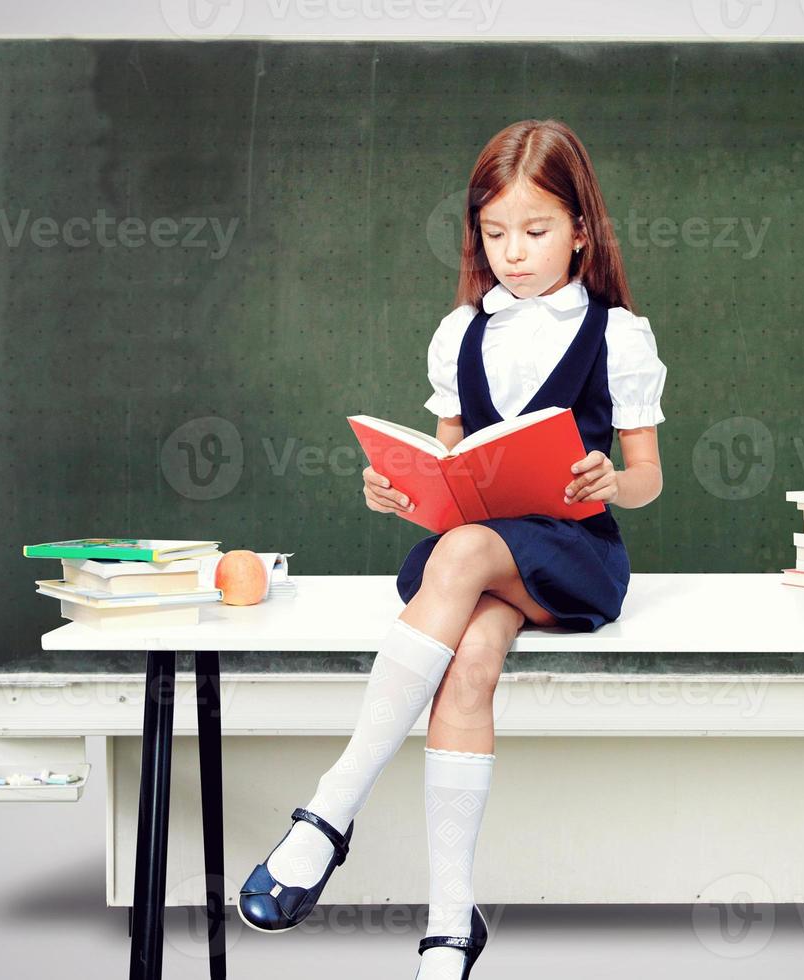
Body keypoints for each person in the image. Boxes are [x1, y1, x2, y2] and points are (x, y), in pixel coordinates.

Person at [239, 118, 668, 979]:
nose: (514, 252)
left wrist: (604, 480)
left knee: (467, 552)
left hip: (573, 552)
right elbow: (449, 465)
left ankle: (329, 812)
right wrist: (397, 490)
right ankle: (447, 927)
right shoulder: (460, 332)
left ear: (583, 228)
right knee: (469, 658)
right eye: (495, 232)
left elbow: (647, 477)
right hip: (473, 557)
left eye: (537, 231)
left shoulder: (618, 335)